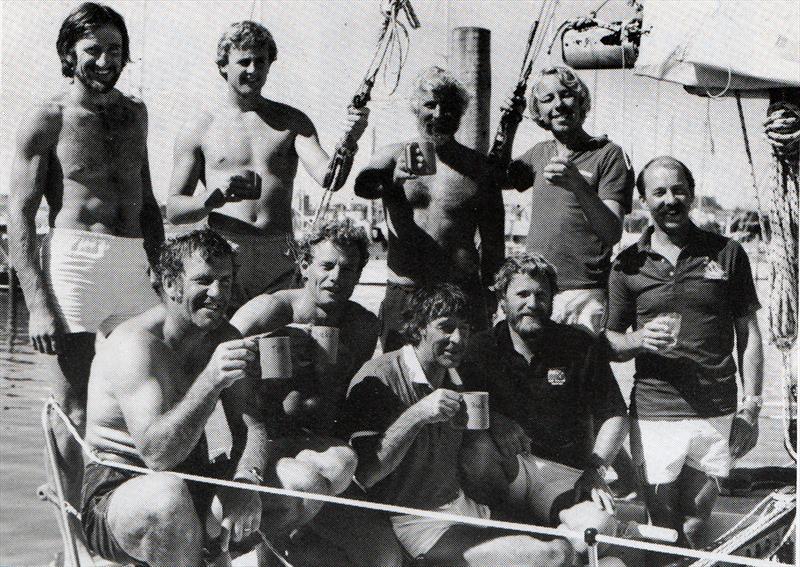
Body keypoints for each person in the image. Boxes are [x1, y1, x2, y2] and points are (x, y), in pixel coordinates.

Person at [8, 1, 163, 542]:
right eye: (93, 49)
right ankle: (69, 538)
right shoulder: (48, 117)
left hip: (132, 261)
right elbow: (20, 214)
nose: (104, 60)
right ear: (69, 54)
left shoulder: (136, 113)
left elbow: (147, 201)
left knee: (145, 395)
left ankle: (130, 522)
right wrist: (38, 304)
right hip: (74, 260)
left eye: (114, 50)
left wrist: (161, 271)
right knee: (72, 405)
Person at [339, 284, 583, 567]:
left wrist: (496, 421)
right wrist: (418, 414)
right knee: (553, 555)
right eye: (446, 327)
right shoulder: (379, 376)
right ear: (418, 328)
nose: (457, 339)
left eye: (464, 330)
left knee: (574, 549)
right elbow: (366, 474)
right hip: (416, 523)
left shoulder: (456, 373)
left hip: (464, 506)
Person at [82, 230, 267, 567]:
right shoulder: (136, 346)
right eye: (204, 281)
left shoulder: (223, 336)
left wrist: (245, 482)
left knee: (293, 488)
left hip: (191, 477)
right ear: (170, 285)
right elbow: (157, 456)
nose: (218, 294)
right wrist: (211, 380)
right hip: (119, 491)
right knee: (167, 498)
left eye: (226, 281)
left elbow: (251, 426)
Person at [605, 157, 764, 548]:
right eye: (658, 192)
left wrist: (751, 408)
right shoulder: (628, 264)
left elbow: (750, 334)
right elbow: (608, 340)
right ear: (643, 201)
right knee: (661, 525)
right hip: (656, 412)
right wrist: (638, 339)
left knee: (694, 523)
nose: (670, 199)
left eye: (678, 190)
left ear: (691, 194)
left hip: (716, 411)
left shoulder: (727, 253)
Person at [231, 218, 402, 567]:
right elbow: (212, 355)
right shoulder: (271, 311)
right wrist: (254, 359)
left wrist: (326, 373)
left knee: (384, 555)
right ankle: (253, 548)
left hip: (319, 447)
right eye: (327, 265)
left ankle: (287, 540)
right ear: (304, 265)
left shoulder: (362, 326)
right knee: (313, 482)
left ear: (358, 274)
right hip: (262, 446)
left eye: (347, 268)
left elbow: (339, 404)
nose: (336, 277)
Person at [167, 20, 369, 312]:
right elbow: (174, 210)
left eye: (260, 61)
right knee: (223, 343)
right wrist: (210, 199)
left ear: (270, 64)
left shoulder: (291, 121)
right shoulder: (199, 128)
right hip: (225, 251)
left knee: (280, 346)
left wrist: (350, 140)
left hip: (279, 253)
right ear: (223, 65)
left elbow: (331, 178)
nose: (252, 70)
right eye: (243, 61)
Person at [459, 253, 629, 525]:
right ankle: (503, 528)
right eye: (522, 294)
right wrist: (494, 420)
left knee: (598, 529)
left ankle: (554, 541)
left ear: (552, 299)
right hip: (508, 468)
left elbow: (615, 416)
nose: (532, 304)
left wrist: (596, 469)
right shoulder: (480, 348)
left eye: (541, 295)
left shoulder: (579, 345)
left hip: (563, 473)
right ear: (502, 300)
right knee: (477, 448)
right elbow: (457, 404)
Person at [354, 66, 505, 351]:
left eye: (448, 107)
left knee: (466, 385)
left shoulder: (478, 168)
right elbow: (363, 185)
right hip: (406, 290)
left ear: (461, 113)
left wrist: (493, 296)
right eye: (430, 105)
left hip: (462, 291)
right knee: (404, 382)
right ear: (416, 109)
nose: (438, 115)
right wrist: (392, 180)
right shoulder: (391, 155)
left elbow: (494, 242)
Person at [503, 65, 634, 335]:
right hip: (537, 289)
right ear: (538, 112)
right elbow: (496, 178)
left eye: (566, 95)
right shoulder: (539, 153)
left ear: (581, 101)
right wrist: (509, 124)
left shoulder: (608, 154)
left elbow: (611, 232)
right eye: (548, 99)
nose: (559, 105)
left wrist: (578, 185)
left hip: (584, 293)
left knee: (581, 375)